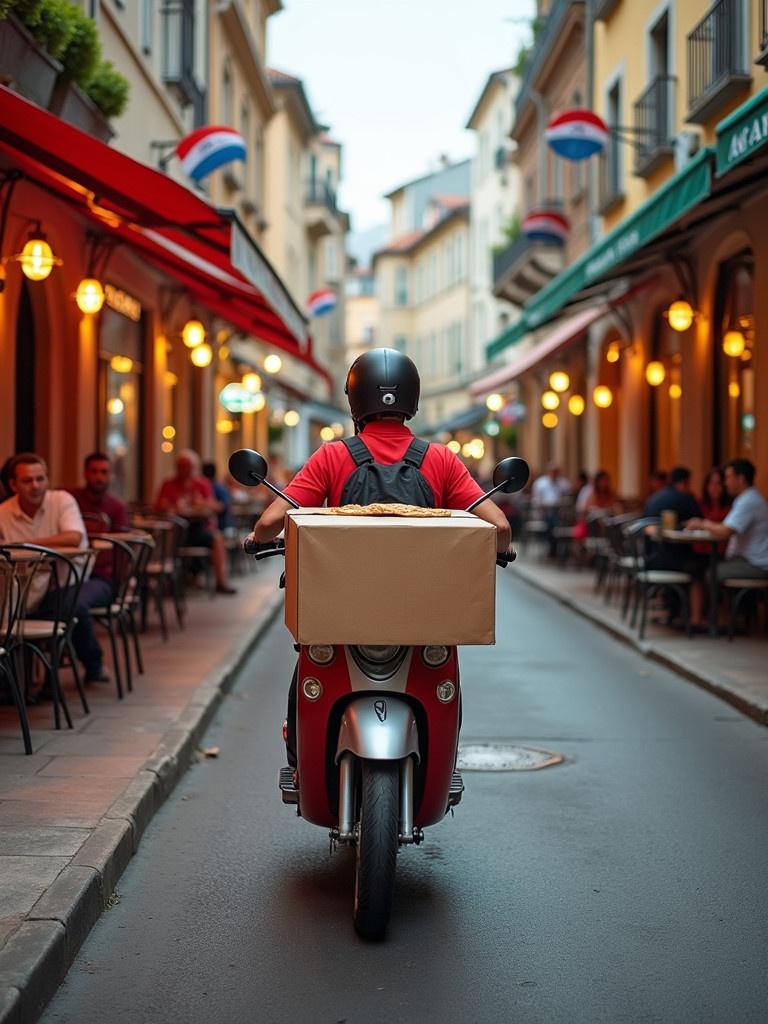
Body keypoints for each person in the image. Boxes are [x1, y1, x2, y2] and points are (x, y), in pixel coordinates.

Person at [246, 348, 512, 767]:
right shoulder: (439, 458)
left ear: (355, 401)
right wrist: (501, 550)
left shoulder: (332, 456)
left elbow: (271, 521)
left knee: (309, 679)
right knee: (442, 687)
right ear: (413, 399)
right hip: (424, 614)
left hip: (341, 611)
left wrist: (256, 538)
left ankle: (301, 762)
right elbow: (499, 526)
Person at [0, 452, 111, 685]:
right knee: (14, 611)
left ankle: (89, 665)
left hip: (78, 579)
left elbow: (72, 537)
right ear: (13, 485)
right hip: (27, 589)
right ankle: (14, 681)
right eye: (27, 481)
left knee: (72, 605)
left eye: (40, 479)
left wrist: (23, 546)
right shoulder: (4, 512)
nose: (36, 486)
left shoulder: (61, 500)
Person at [155, 449, 236, 594]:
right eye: (182, 466)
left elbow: (214, 506)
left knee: (217, 538)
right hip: (176, 529)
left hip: (199, 528)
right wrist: (173, 507)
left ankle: (221, 582)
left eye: (189, 466)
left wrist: (202, 504)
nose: (186, 470)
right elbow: (159, 506)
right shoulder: (169, 484)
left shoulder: (202, 484)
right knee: (168, 536)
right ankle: (169, 580)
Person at [686, 459, 768, 582]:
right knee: (702, 567)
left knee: (712, 573)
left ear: (741, 479)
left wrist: (702, 524)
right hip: (745, 559)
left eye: (728, 478)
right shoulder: (745, 498)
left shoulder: (748, 501)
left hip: (755, 563)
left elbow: (725, 531)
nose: (726, 483)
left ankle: (721, 602)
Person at [69, 452, 129, 534]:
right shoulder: (70, 498)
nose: (99, 477)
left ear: (110, 475)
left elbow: (122, 539)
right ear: (85, 473)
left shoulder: (118, 507)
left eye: (104, 472)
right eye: (94, 471)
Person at [531, 462, 571, 556]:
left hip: (560, 512)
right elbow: (536, 501)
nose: (555, 474)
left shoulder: (563, 483)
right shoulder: (540, 483)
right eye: (553, 471)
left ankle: (562, 550)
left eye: (557, 472)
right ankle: (554, 549)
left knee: (559, 521)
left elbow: (568, 497)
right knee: (552, 521)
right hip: (544, 513)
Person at [202, 461, 234, 532]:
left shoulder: (216, 488)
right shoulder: (220, 487)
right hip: (222, 524)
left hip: (222, 525)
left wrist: (205, 504)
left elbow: (223, 507)